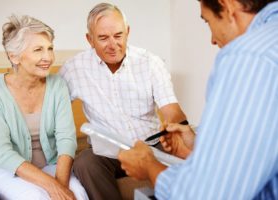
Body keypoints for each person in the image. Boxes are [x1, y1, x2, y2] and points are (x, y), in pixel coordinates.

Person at [118, 0, 278, 199]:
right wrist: (197, 149)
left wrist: (149, 167)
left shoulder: (247, 57)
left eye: (208, 21)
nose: (212, 39)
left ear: (227, 7)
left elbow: (206, 195)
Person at [59, 2, 187, 200]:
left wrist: (180, 133)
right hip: (108, 154)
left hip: (152, 146)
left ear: (127, 32)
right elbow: (54, 114)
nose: (113, 45)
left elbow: (172, 111)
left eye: (118, 36)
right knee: (85, 162)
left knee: (187, 155)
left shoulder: (150, 62)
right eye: (103, 38)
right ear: (90, 39)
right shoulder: (73, 69)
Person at [0, 15, 88, 200]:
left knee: (77, 195)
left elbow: (66, 139)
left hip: (50, 164)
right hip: (2, 168)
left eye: (50, 48)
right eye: (38, 50)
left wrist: (60, 186)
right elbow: (2, 153)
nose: (48, 57)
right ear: (14, 56)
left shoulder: (57, 85)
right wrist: (52, 186)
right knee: (35, 197)